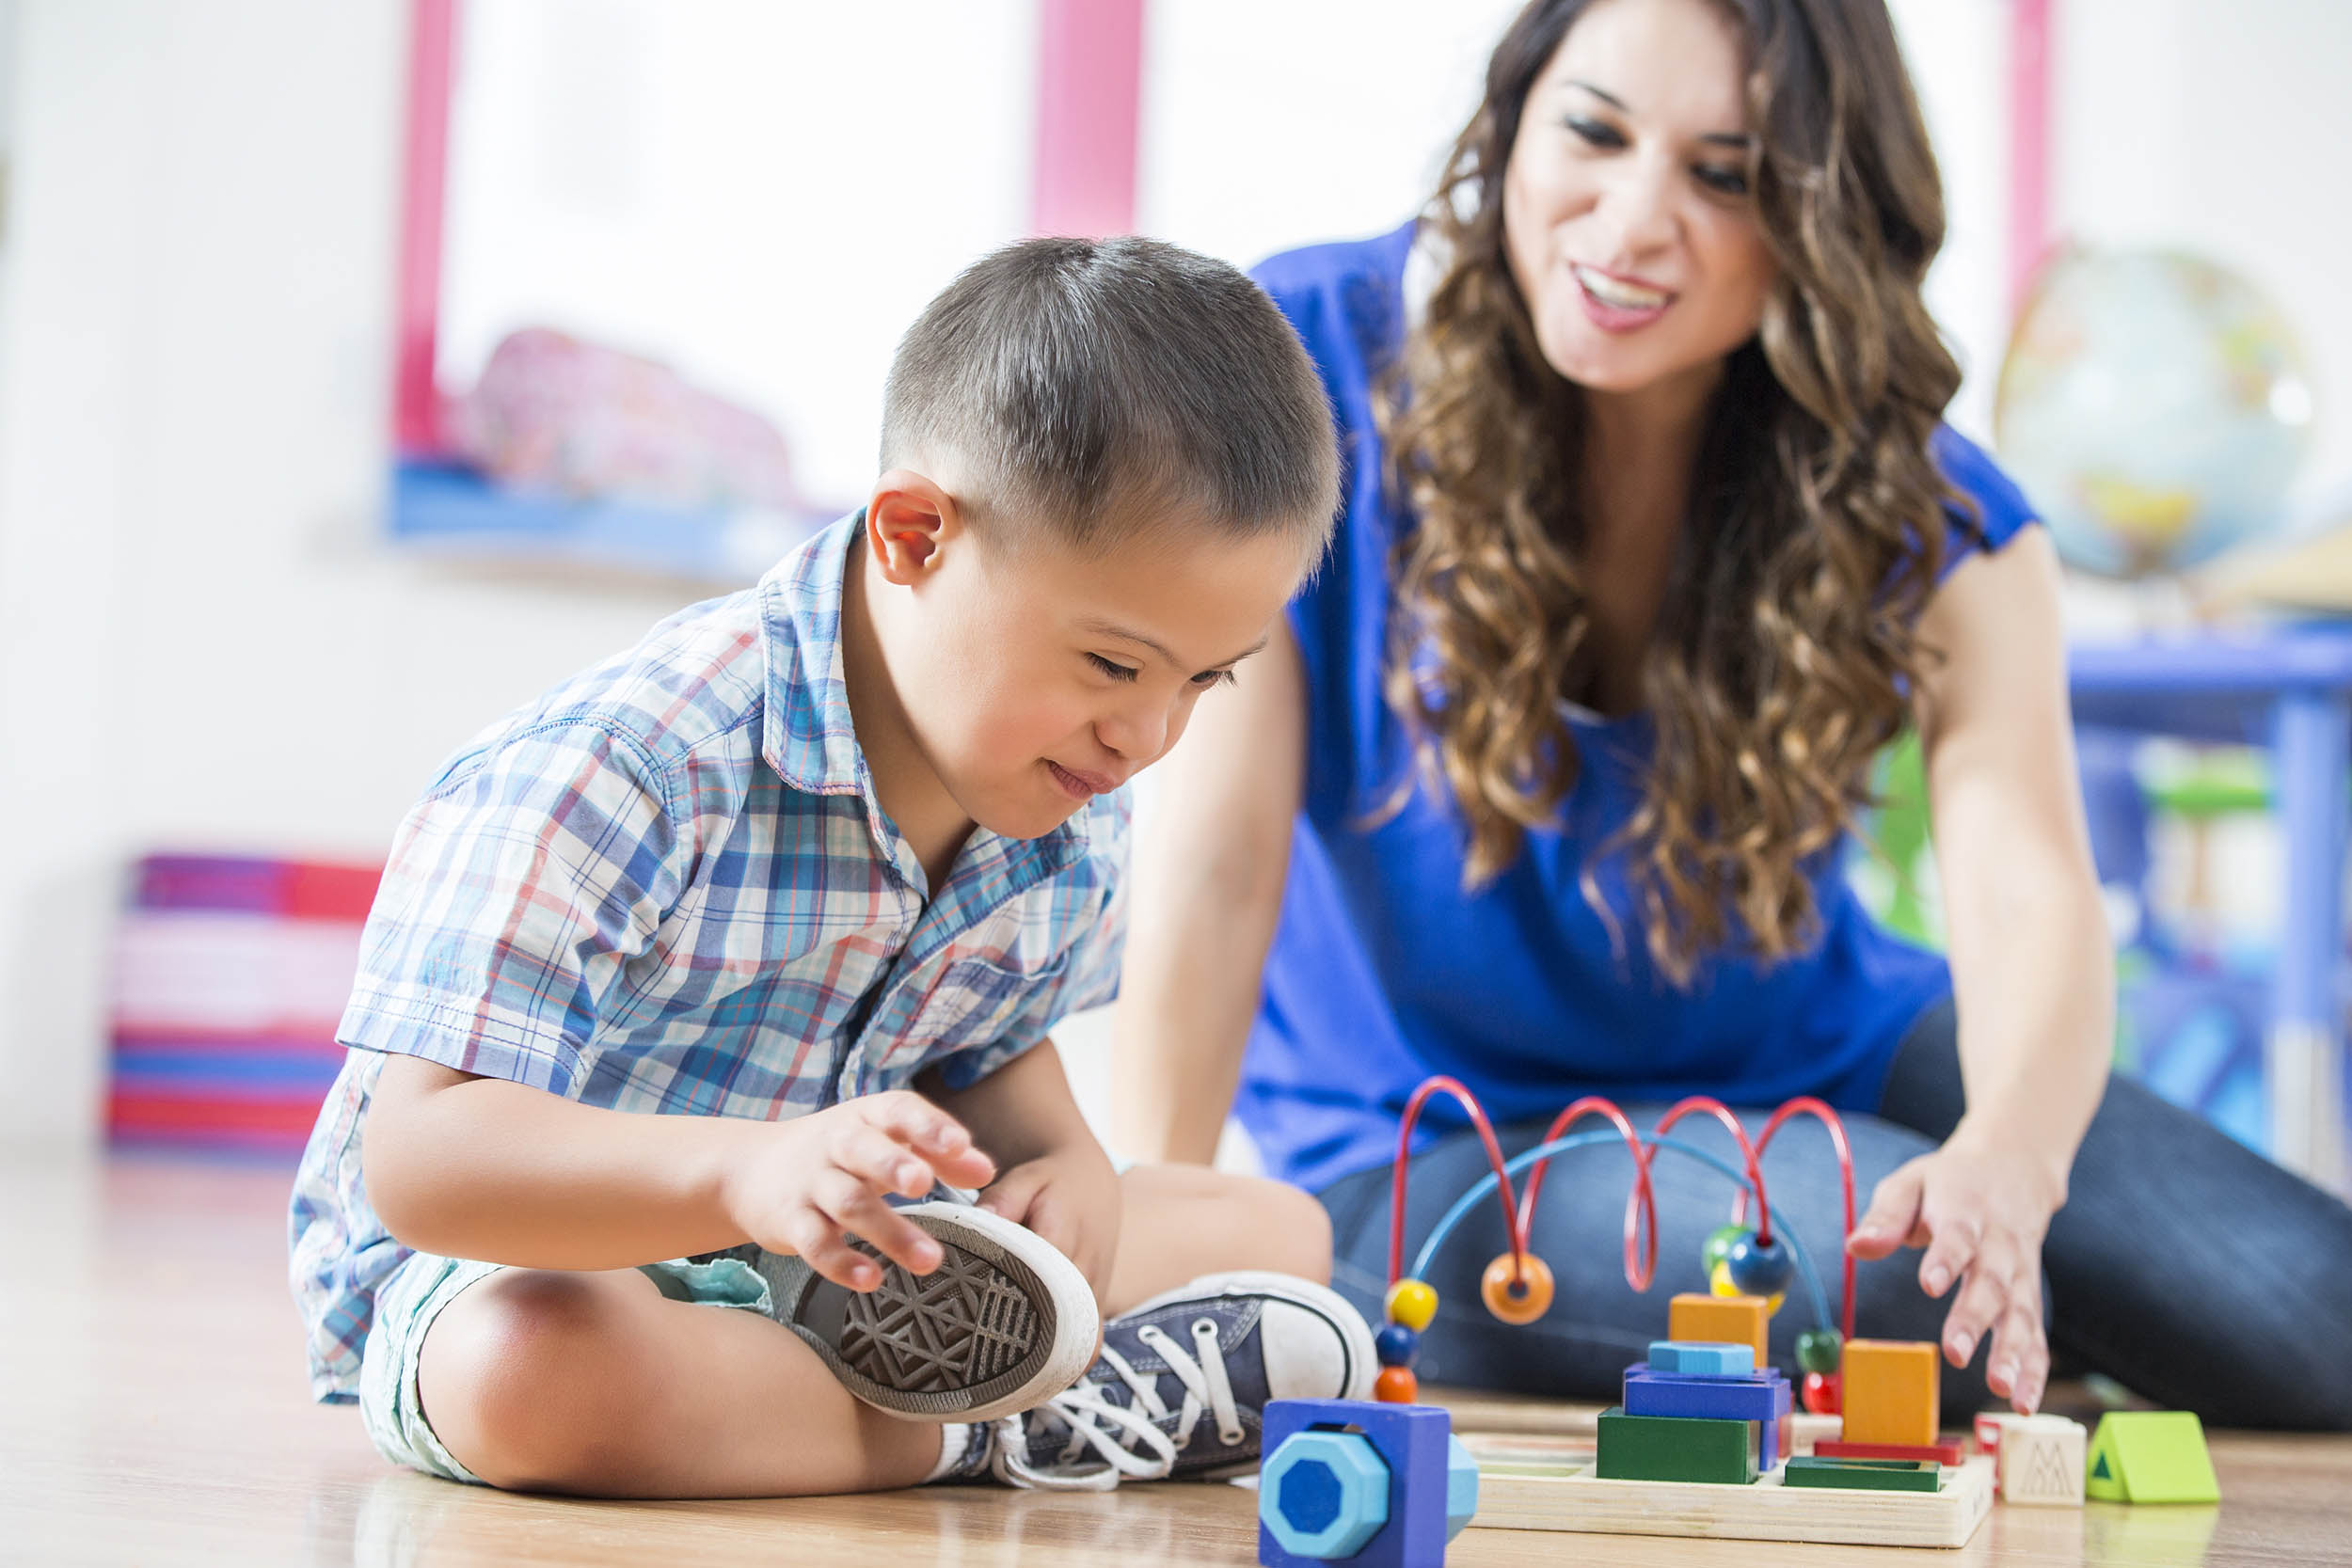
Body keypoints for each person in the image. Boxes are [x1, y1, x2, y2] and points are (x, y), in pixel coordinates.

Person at [1116, 0, 2352, 1430]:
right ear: (1514, 119)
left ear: (1821, 223)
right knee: (1903, 1299)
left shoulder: (1922, 502)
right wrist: (1165, 1235)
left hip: (1822, 1048)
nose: (1633, 224)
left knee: (2315, 1315)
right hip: (1424, 1129)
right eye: (1591, 131)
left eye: (1728, 173)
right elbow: (1210, 873)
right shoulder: (1310, 365)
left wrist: (2009, 1159)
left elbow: (2026, 884)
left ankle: (1999, 1285)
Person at [290, 236, 1382, 1500]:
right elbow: (420, 1164)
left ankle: (900, 1399)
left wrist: (1069, 1166)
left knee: (1285, 1233)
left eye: (1205, 679)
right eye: (1114, 666)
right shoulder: (637, 760)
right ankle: (1006, 1433)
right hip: (543, 1270)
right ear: (915, 536)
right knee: (534, 1376)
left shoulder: (1064, 797)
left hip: (852, 1261)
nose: (1149, 738)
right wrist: (740, 1173)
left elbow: (990, 1048)